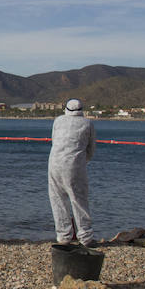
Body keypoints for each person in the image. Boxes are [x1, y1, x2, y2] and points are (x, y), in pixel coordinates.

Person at [48, 98, 97, 247]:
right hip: (75, 165)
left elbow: (54, 140)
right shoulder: (87, 124)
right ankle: (85, 237)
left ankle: (63, 236)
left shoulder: (58, 121)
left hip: (54, 163)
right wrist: (82, 161)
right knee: (79, 200)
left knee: (58, 200)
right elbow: (91, 149)